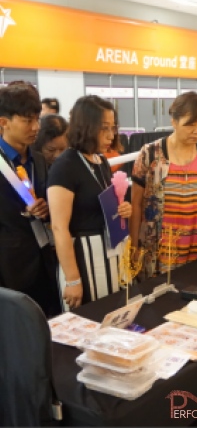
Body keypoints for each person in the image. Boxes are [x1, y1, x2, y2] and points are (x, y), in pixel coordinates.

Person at [130, 91, 197, 279]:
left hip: (196, 248)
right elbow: (136, 204)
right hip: (157, 253)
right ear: (174, 122)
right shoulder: (150, 154)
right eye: (190, 124)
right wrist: (134, 247)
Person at [47, 95, 132, 309]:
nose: (111, 136)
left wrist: (123, 209)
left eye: (113, 128)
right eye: (104, 128)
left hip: (109, 252)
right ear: (86, 126)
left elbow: (102, 204)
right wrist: (73, 279)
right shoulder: (65, 165)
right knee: (90, 322)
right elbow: (59, 227)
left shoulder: (99, 160)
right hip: (84, 257)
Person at [0, 83, 61, 317]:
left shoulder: (38, 158)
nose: (35, 127)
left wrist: (46, 208)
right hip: (8, 267)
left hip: (44, 261)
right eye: (27, 121)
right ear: (3, 121)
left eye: (37, 119)